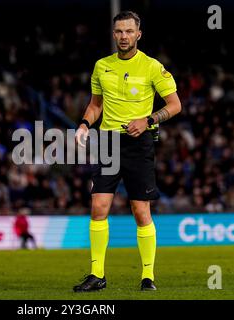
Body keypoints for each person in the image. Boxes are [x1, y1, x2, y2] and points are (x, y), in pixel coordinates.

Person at [73, 11, 181, 292]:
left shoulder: (152, 67)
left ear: (138, 34)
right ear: (113, 34)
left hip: (139, 144)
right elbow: (96, 105)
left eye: (129, 31)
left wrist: (148, 121)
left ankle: (148, 277)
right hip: (108, 143)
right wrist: (85, 124)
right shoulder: (101, 66)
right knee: (98, 208)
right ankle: (97, 275)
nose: (124, 36)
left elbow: (175, 104)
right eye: (119, 31)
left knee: (140, 211)